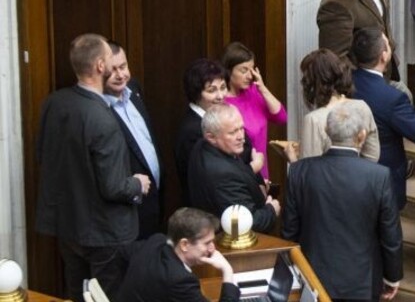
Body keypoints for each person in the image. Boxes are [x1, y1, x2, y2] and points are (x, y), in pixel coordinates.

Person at [36, 33, 150, 297]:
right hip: (106, 233)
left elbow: (44, 155)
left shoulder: (54, 103)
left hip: (68, 227)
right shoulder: (103, 119)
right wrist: (137, 183)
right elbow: (113, 187)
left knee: (78, 294)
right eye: (110, 60)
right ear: (100, 66)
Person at [282, 102, 403, 302]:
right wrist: (392, 276)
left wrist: (291, 271)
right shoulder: (378, 176)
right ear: (362, 136)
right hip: (361, 281)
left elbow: (289, 230)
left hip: (312, 278)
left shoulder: (299, 171)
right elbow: (390, 234)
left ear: (327, 131)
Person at [351, 27, 415, 209]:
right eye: (388, 44)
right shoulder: (392, 98)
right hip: (383, 181)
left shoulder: (345, 83)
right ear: (384, 56)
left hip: (351, 175)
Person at [175, 58, 259, 206]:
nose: (220, 96)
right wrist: (253, 168)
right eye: (212, 90)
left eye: (223, 87)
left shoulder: (223, 114)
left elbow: (247, 147)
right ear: (196, 93)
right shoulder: (192, 130)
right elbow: (208, 178)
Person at [187, 103, 279, 233]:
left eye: (241, 128)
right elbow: (246, 224)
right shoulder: (224, 174)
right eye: (233, 132)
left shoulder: (202, 146)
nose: (241, 137)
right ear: (211, 137)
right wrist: (271, 210)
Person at [104, 41, 163, 239]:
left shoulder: (134, 89)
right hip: (127, 208)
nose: (121, 75)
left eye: (123, 66)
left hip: (154, 198)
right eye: (112, 70)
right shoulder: (97, 110)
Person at [115, 208, 238, 302]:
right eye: (207, 243)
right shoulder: (179, 280)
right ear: (184, 244)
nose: (213, 248)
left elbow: (123, 253)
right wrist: (227, 271)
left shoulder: (156, 241)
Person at [297, 48, 380, 161]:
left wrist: (292, 158)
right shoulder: (362, 107)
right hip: (361, 176)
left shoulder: (313, 120)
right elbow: (373, 156)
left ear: (311, 83)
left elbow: (308, 171)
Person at [222, 41, 286, 179]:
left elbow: (281, 117)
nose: (250, 76)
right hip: (241, 174)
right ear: (229, 70)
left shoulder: (253, 92)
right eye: (243, 70)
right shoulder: (222, 103)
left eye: (251, 70)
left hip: (262, 173)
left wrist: (262, 88)